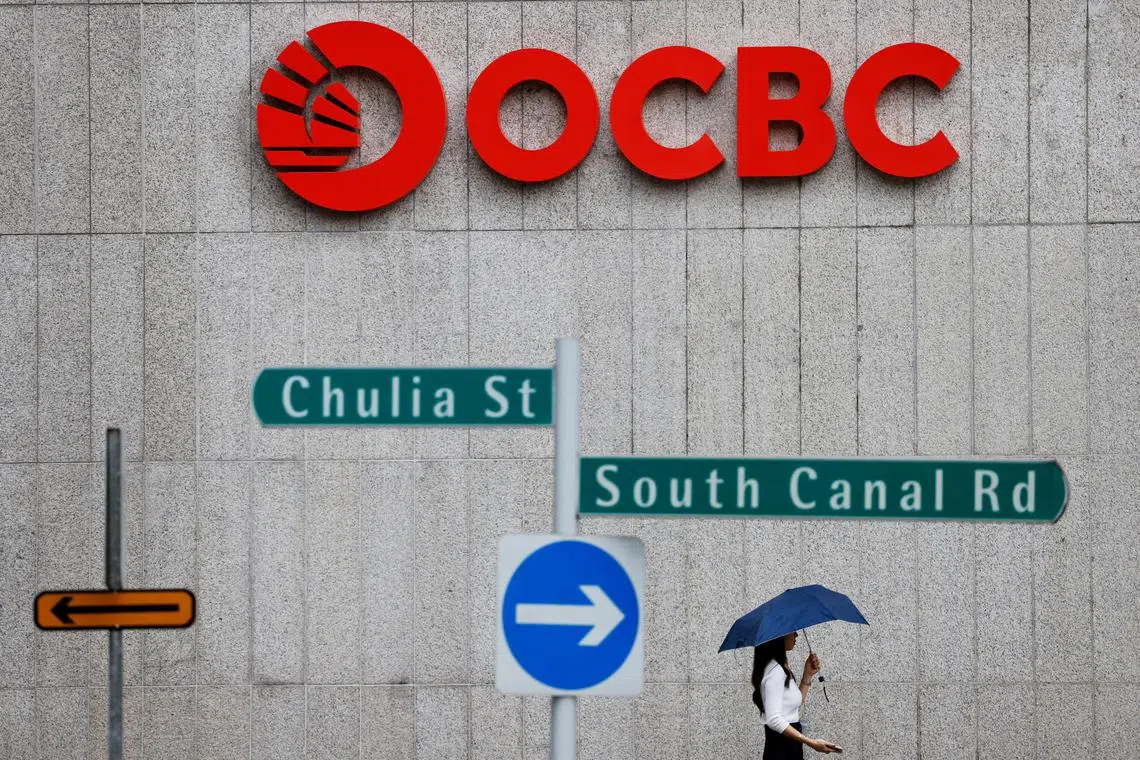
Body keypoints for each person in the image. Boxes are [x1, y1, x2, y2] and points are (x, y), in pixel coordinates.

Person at [751, 631, 843, 757]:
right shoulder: (775, 671)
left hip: (789, 748)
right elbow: (773, 719)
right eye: (792, 632)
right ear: (779, 637)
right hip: (781, 750)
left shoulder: (781, 667)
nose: (796, 635)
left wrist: (807, 674)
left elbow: (793, 704)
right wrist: (811, 742)